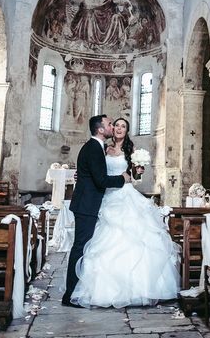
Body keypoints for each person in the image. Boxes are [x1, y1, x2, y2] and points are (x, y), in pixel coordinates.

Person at [70, 117, 180, 308]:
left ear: (127, 131)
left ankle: (137, 289)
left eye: (122, 126)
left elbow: (134, 177)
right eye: (116, 125)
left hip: (125, 197)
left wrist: (138, 171)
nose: (118, 128)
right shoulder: (103, 148)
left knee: (135, 239)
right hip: (105, 198)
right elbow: (97, 173)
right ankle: (96, 288)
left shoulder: (131, 151)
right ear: (109, 130)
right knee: (98, 241)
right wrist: (82, 174)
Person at [62, 115, 132, 308]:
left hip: (90, 203)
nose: (112, 127)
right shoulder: (94, 148)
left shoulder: (95, 147)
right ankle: (70, 295)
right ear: (101, 130)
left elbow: (92, 174)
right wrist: (122, 179)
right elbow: (101, 180)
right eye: (110, 124)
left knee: (84, 247)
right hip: (87, 205)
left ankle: (76, 290)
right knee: (80, 247)